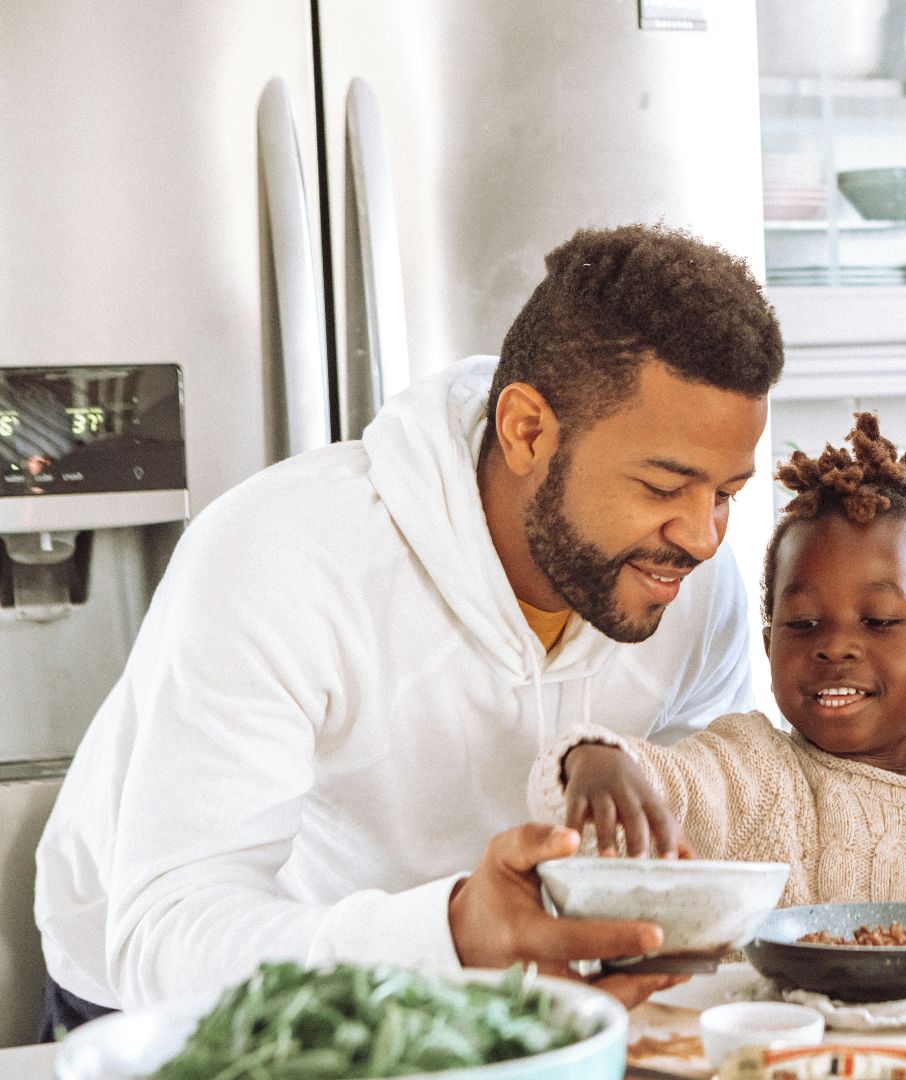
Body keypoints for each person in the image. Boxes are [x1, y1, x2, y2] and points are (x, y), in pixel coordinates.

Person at [36, 224, 783, 1033]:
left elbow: (684, 824)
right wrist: (453, 933)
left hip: (486, 1006)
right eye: (663, 485)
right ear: (527, 430)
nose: (705, 538)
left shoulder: (686, 588)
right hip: (188, 1017)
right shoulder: (281, 559)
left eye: (727, 494)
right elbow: (163, 935)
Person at [528, 413, 906, 907]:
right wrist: (591, 759)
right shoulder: (749, 772)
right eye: (802, 624)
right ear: (770, 643)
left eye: (879, 621)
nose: (835, 646)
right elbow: (654, 786)